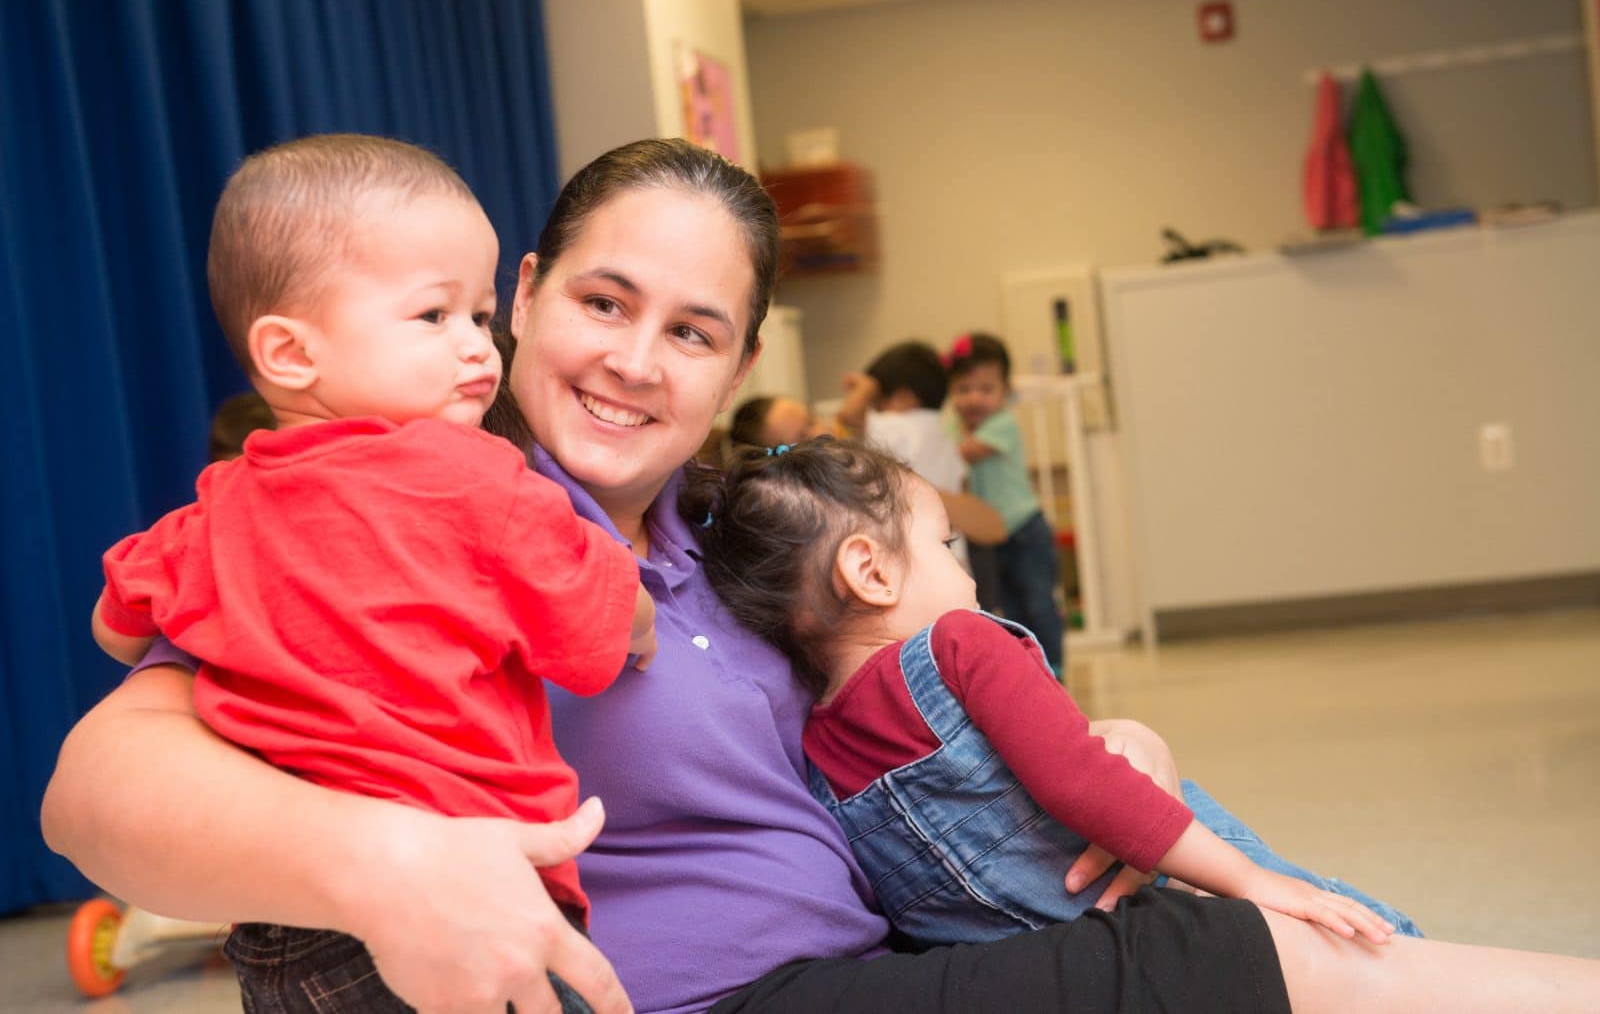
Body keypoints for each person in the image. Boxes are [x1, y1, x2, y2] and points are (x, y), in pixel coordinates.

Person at [42, 137, 1600, 1014]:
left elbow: (921, 692)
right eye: (602, 299)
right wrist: (373, 870)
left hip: (898, 951)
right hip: (705, 1003)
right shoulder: (408, 518)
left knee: (1265, 937)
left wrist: (1104, 757)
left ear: (738, 366)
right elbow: (101, 790)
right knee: (1241, 964)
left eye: (693, 331)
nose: (633, 363)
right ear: (518, 298)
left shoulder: (742, 546)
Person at [89, 134, 654, 1011]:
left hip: (280, 920)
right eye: (434, 317)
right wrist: (639, 617)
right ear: (289, 353)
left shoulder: (211, 511)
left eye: (478, 313)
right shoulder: (482, 481)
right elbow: (596, 643)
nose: (478, 349)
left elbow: (118, 628)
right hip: (468, 890)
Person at [688, 437, 1419, 950]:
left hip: (1052, 964)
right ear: (872, 574)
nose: (963, 571)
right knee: (1353, 930)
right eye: (945, 547)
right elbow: (1080, 778)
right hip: (1165, 891)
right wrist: (1251, 881)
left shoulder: (815, 745)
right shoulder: (960, 644)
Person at [946, 332, 1067, 676]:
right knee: (1008, 607)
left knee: (1039, 602)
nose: (974, 399)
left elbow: (962, 455)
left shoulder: (1002, 424)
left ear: (1005, 392)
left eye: (986, 390)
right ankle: (1028, 668)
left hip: (1025, 529)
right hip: (992, 536)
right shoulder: (956, 427)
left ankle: (1054, 668)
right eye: (963, 390)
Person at [836, 341, 1007, 547]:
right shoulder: (946, 437)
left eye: (878, 403)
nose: (876, 411)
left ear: (902, 398)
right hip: (951, 551)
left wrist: (866, 387)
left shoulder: (899, 426)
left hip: (913, 548)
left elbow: (848, 417)